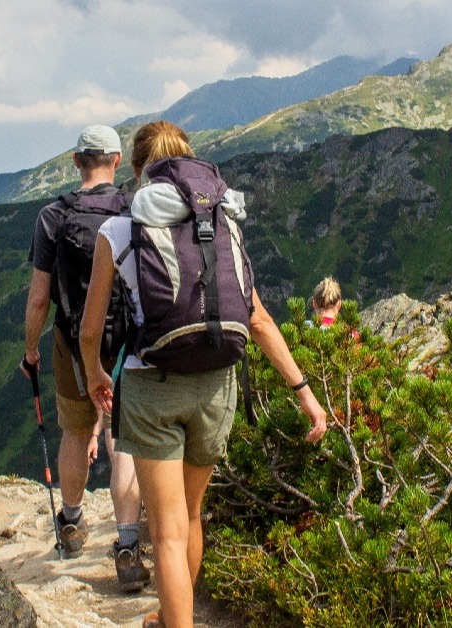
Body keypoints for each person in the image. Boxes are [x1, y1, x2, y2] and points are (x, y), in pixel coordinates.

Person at [79, 121, 328, 628]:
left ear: (138, 168)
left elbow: (89, 329)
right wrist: (303, 391)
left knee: (166, 532)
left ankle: (175, 620)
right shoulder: (220, 223)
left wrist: (94, 374)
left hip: (152, 384)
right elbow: (256, 318)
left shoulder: (117, 229)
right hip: (217, 384)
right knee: (191, 517)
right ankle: (173, 615)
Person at [20, 124, 148, 590]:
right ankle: (129, 546)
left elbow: (39, 299)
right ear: (116, 161)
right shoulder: (134, 210)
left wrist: (32, 350)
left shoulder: (52, 217)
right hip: (129, 343)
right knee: (124, 443)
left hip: (73, 342)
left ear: (76, 162)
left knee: (75, 432)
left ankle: (71, 522)